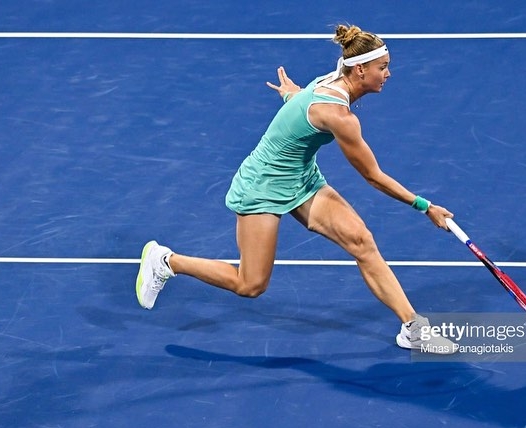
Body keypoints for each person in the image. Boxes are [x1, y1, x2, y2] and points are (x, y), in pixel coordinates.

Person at [136, 24, 454, 351]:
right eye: (382, 67)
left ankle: (412, 327)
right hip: (262, 186)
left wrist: (292, 97)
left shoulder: (332, 80)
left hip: (301, 178)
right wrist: (424, 205)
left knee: (361, 241)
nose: (388, 74)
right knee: (251, 284)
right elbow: (372, 176)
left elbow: (305, 104)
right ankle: (166, 261)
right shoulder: (339, 116)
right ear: (360, 70)